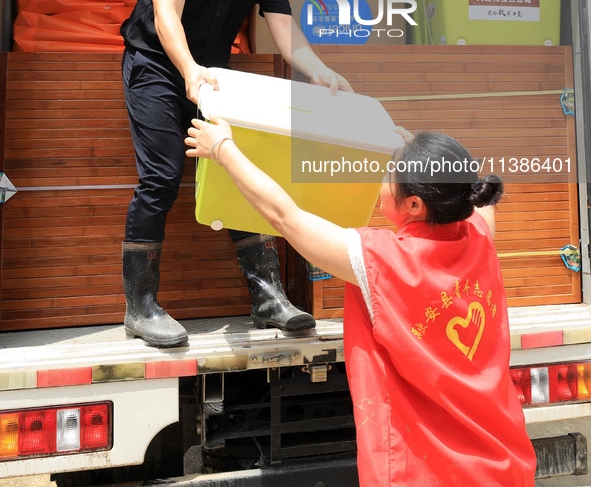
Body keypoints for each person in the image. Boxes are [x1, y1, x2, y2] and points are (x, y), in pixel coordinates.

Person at [185, 121, 537, 487]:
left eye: (389, 174)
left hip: (428, 472)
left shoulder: (383, 261)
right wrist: (414, 149)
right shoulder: (479, 233)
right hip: (503, 462)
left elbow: (284, 216)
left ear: (414, 204)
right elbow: (478, 194)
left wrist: (223, 148)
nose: (381, 179)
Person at [120, 0, 352, 349]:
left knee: (240, 164)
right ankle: (140, 306)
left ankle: (268, 296)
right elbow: (165, 16)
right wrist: (189, 71)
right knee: (161, 175)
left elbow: (287, 34)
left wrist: (321, 72)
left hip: (212, 77)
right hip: (157, 65)